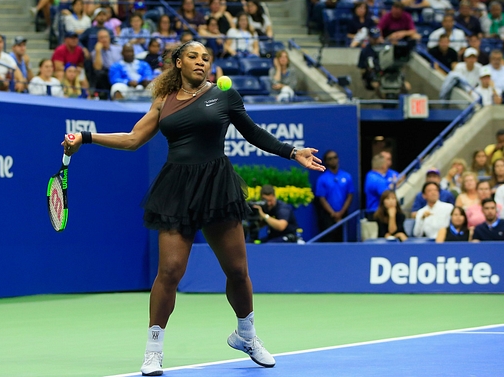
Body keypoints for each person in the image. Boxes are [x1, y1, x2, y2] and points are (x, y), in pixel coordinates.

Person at [61, 40, 325, 376]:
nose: (201, 62)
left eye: (206, 58)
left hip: (217, 186)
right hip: (177, 190)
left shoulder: (224, 95)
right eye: (194, 57)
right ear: (178, 62)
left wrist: (292, 152)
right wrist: (86, 136)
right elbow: (132, 139)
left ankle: (246, 335)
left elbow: (253, 133)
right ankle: (153, 350)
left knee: (237, 271)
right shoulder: (163, 101)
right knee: (169, 271)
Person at [315, 150, 354, 242]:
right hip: (328, 216)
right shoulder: (322, 179)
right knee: (328, 239)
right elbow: (321, 198)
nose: (333, 160)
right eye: (330, 159)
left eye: (335, 157)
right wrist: (333, 213)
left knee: (343, 239)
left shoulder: (347, 176)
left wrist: (341, 212)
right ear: (326, 162)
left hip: (343, 214)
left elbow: (350, 194)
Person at [364, 153, 394, 218]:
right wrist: (392, 187)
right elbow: (387, 196)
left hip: (370, 212)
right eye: (386, 164)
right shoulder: (379, 180)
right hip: (378, 213)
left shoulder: (369, 175)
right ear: (383, 166)